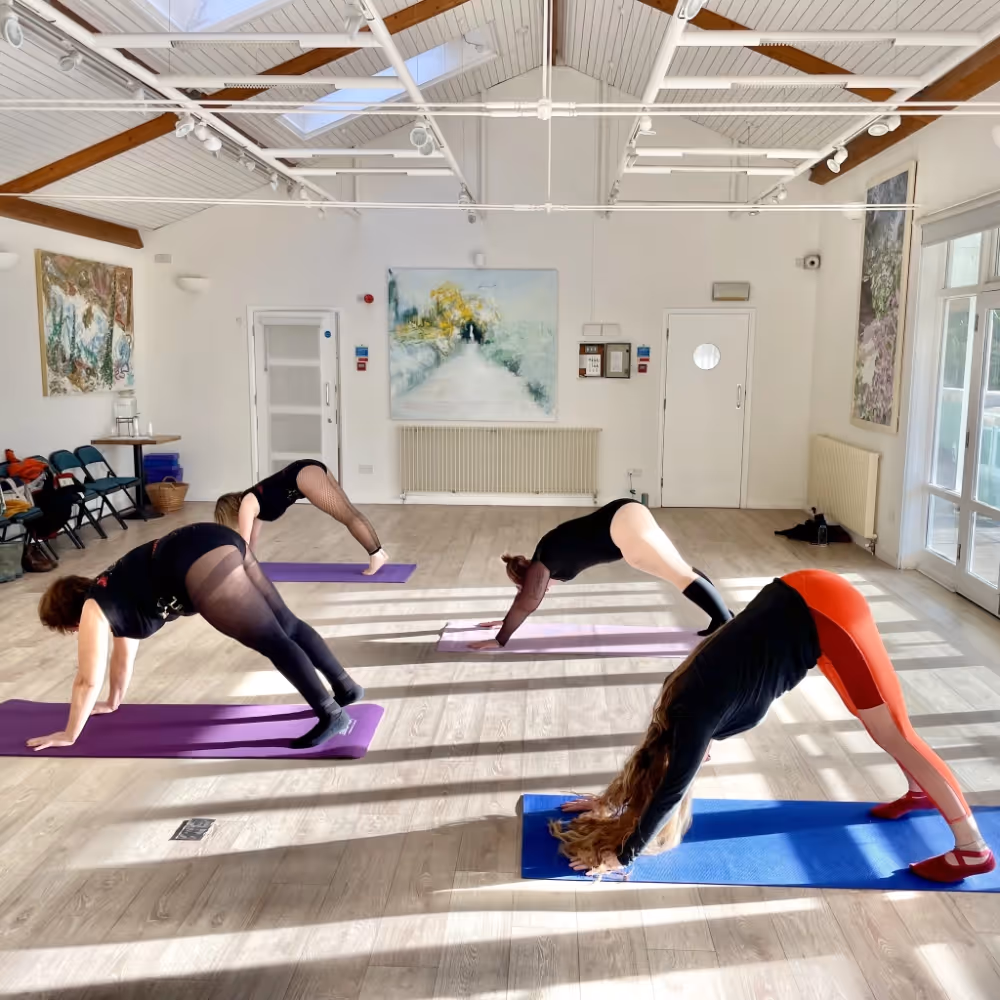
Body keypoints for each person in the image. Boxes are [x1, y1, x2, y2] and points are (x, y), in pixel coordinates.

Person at [551, 569, 994, 884]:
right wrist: (611, 800)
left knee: (894, 731)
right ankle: (919, 791)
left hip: (827, 613)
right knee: (871, 717)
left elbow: (669, 790)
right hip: (798, 596)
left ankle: (973, 849)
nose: (698, 762)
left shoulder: (693, 720)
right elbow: (650, 759)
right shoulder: (676, 702)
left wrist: (623, 854)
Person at [29, 522, 363, 752]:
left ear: (68, 617)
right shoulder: (114, 595)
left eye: (68, 628)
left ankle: (332, 715)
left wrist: (69, 734)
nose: (75, 633)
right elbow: (122, 657)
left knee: (272, 640)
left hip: (195, 559)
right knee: (287, 623)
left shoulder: (94, 609)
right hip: (211, 538)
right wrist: (113, 701)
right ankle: (346, 687)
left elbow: (87, 680)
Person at [467, 499, 731, 649]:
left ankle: (727, 624)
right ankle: (720, 614)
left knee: (679, 573)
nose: (542, 590)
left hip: (623, 525)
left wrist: (500, 640)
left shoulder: (542, 565)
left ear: (531, 577)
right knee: (678, 569)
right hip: (624, 519)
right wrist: (505, 620)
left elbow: (528, 602)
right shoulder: (544, 557)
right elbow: (526, 599)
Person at [215, 459, 388, 575]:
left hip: (303, 475)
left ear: (230, 509)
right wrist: (249, 565)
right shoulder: (254, 503)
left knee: (347, 515)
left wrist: (234, 569)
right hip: (307, 470)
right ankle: (378, 552)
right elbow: (252, 540)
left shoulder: (246, 504)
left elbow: (244, 541)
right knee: (350, 512)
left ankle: (376, 554)